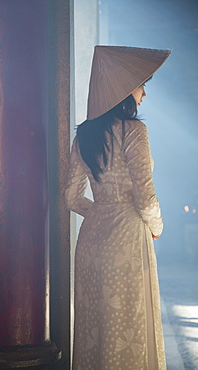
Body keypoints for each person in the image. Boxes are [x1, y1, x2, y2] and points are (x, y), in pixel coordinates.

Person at [65, 46, 171, 370]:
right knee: (127, 327)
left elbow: (70, 197)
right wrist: (156, 227)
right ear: (124, 90)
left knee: (95, 328)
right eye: (142, 85)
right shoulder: (134, 131)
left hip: (91, 240)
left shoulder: (83, 136)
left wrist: (100, 210)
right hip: (126, 239)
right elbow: (146, 196)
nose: (144, 94)